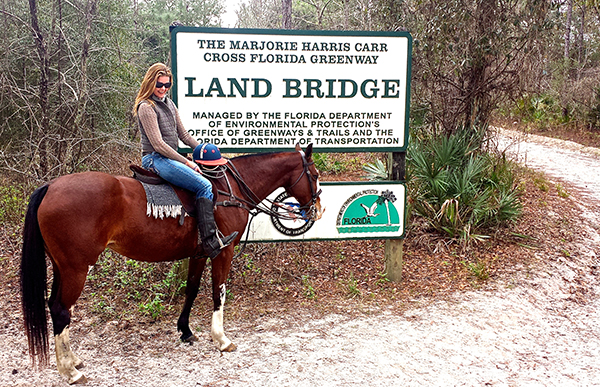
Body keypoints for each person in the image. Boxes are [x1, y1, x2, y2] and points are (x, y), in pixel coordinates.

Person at [133, 63, 237, 258]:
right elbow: (158, 145)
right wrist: (187, 162)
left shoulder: (170, 104)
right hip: (155, 159)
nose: (163, 88)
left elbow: (184, 135)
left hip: (169, 157)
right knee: (204, 186)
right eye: (159, 84)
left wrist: (205, 151)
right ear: (150, 83)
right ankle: (209, 242)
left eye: (167, 85)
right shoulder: (146, 107)